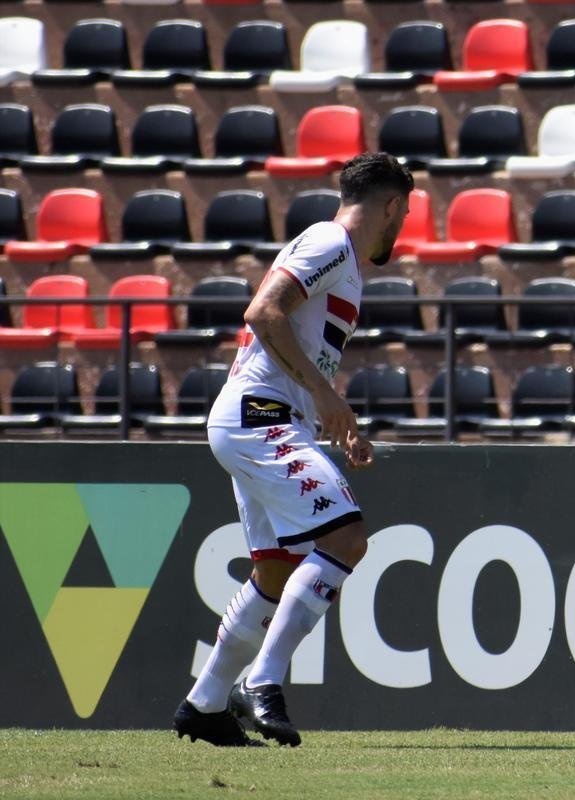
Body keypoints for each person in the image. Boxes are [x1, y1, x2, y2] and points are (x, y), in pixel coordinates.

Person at [172, 153, 414, 747]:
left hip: (269, 418)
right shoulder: (331, 240)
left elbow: (296, 339)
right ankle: (265, 679)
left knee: (276, 572)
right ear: (389, 205)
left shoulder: (343, 262)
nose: (401, 226)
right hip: (259, 416)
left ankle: (204, 703)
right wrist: (325, 396)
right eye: (403, 213)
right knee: (346, 539)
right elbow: (262, 312)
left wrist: (333, 415)